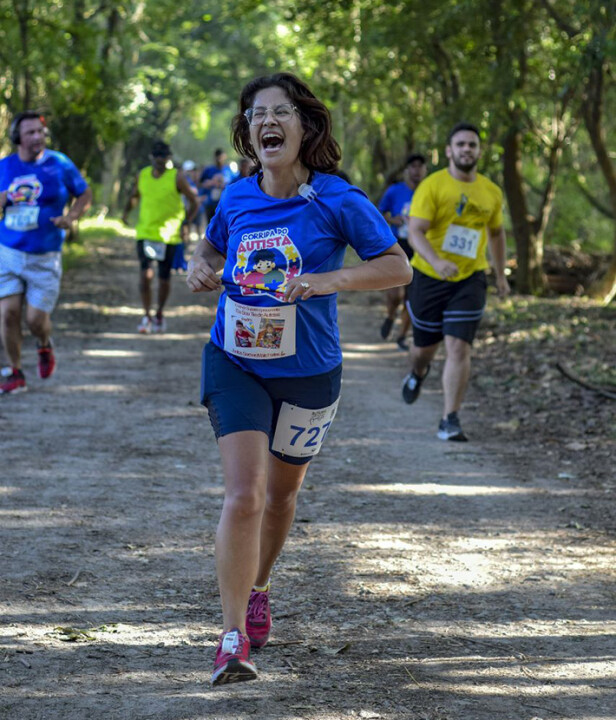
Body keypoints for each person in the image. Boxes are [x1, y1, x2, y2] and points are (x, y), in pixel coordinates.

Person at [186, 72, 411, 686]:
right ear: (248, 131)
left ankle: (259, 585)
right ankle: (231, 637)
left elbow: (397, 267)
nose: (267, 120)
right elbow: (208, 250)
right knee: (245, 494)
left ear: (305, 126)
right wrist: (198, 268)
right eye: (256, 112)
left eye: (281, 110)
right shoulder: (234, 198)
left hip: (310, 370)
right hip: (234, 360)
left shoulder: (337, 200)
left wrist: (324, 281)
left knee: (282, 496)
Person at [402, 122, 510, 441]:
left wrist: (500, 275)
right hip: (429, 277)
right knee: (424, 349)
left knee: (458, 346)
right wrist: (437, 261)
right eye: (460, 144)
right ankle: (418, 372)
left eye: (472, 145)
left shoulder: (491, 191)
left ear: (479, 151)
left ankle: (450, 418)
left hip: (470, 279)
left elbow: (497, 233)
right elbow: (415, 231)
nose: (467, 149)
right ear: (449, 151)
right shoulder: (433, 186)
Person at [0, 111, 92, 395]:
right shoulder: (5, 167)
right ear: (17, 137)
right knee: (8, 313)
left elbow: (84, 193)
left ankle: (43, 344)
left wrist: (72, 217)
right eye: (30, 133)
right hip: (9, 251)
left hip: (45, 255)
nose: (37, 137)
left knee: (35, 320)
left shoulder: (59, 163)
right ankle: (15, 372)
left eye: (40, 132)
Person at [122, 141, 199, 334]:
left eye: (164, 157)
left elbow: (194, 201)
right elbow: (134, 196)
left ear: (168, 158)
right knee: (145, 275)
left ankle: (159, 313)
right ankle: (146, 316)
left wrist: (186, 222)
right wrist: (125, 213)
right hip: (146, 233)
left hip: (169, 236)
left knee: (164, 279)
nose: (160, 160)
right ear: (152, 157)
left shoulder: (177, 177)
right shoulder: (143, 175)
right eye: (157, 156)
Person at [378, 154, 427, 350]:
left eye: (420, 167)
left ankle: (401, 336)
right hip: (397, 244)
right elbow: (379, 214)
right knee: (394, 294)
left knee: (411, 296)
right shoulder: (394, 191)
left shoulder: (429, 190)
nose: (416, 170)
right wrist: (393, 220)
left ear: (425, 170)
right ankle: (390, 315)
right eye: (412, 166)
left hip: (421, 247)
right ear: (406, 170)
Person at [199, 148, 234, 224]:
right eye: (218, 158)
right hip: (211, 204)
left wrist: (222, 185)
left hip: (225, 203)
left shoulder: (228, 170)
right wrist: (210, 183)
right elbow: (200, 183)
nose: (220, 160)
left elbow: (233, 184)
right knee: (211, 225)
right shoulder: (209, 170)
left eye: (221, 157)